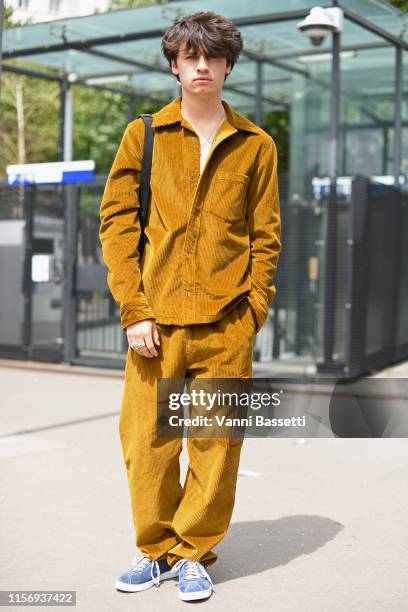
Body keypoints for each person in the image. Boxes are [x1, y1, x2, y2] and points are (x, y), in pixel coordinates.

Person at [99, 10, 281, 603]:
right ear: (175, 66)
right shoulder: (144, 134)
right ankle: (155, 550)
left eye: (213, 56)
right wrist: (134, 310)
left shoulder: (256, 145)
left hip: (226, 323)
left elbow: (266, 237)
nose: (201, 66)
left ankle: (194, 551)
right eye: (190, 56)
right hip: (155, 321)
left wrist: (251, 312)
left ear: (228, 64)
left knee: (215, 444)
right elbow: (118, 225)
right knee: (147, 444)